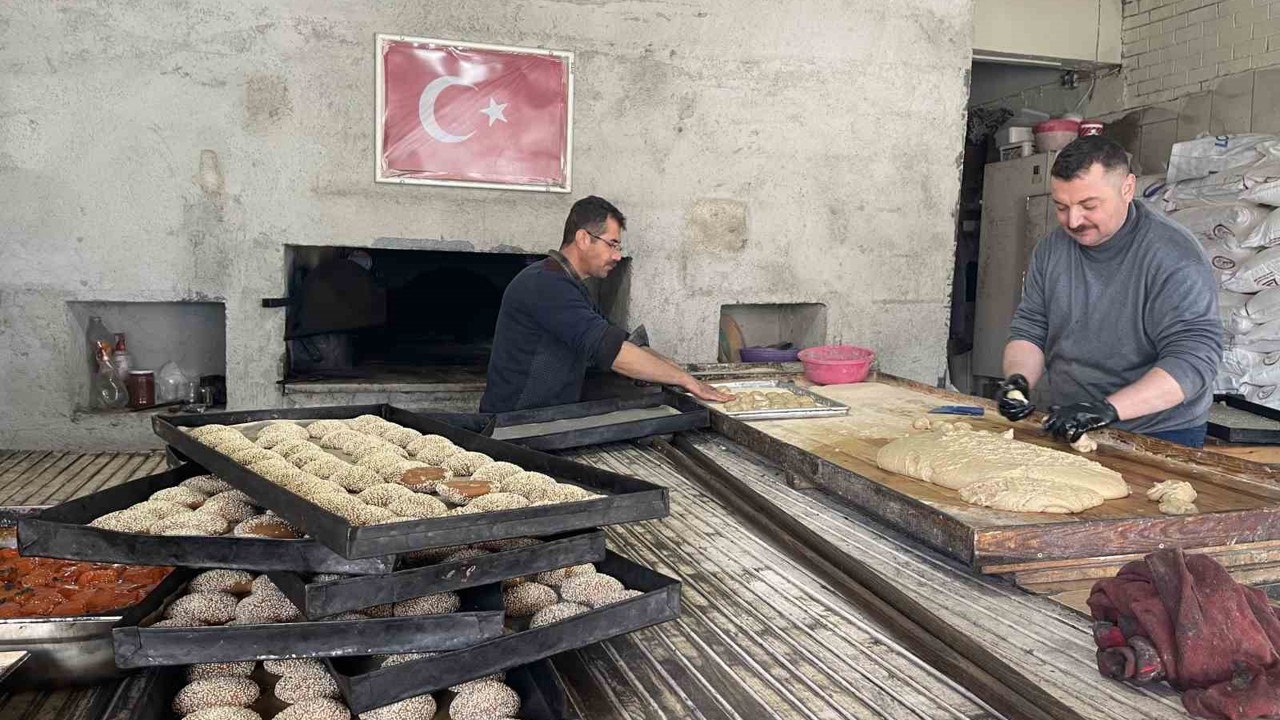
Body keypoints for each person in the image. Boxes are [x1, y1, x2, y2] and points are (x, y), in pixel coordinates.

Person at [994, 136, 1221, 448]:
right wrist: (1017, 381)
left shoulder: (1173, 257)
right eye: (1061, 207)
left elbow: (1194, 360)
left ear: (1127, 188)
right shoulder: (1050, 250)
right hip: (1072, 421)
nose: (1073, 221)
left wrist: (1108, 409)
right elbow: (1031, 329)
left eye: (1089, 206)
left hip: (1159, 433)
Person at [479, 196, 733, 413]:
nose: (617, 255)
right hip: (514, 427)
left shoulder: (569, 285)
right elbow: (610, 351)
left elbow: (619, 339)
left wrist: (672, 366)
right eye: (612, 244)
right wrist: (685, 381)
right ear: (583, 238)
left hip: (545, 420)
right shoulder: (545, 285)